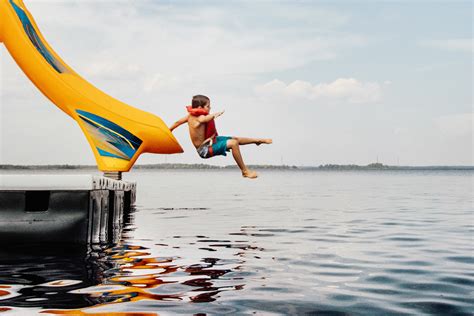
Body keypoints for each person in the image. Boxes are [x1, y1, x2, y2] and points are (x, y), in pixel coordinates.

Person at [169, 95, 272, 179]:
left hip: (211, 141)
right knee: (233, 143)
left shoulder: (189, 117)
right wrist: (215, 115)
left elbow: (177, 122)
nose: (210, 108)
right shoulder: (199, 118)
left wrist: (170, 130)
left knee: (235, 139)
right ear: (200, 108)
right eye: (208, 106)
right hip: (204, 150)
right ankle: (245, 171)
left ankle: (257, 140)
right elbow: (203, 120)